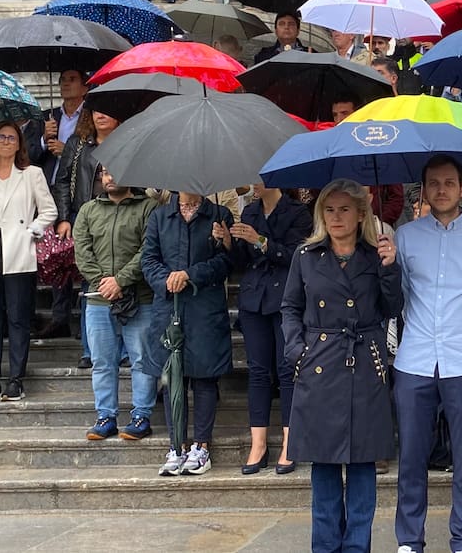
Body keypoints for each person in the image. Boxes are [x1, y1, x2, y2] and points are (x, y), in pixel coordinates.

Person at [280, 179, 400, 552]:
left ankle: (357, 547)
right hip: (319, 363)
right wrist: (297, 349)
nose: (336, 217)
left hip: (365, 362)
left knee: (363, 467)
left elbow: (392, 308)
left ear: (361, 213)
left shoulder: (375, 254)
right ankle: (326, 546)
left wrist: (389, 268)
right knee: (325, 466)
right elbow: (290, 307)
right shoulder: (306, 256)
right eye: (329, 209)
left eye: (344, 209)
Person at [393, 155, 462, 553]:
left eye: (449, 183)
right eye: (433, 183)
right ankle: (409, 539)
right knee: (410, 457)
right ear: (423, 188)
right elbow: (400, 294)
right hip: (415, 360)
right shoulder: (405, 237)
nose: (441, 190)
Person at [220, 182, 312, 475]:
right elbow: (241, 262)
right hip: (254, 298)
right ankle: (257, 443)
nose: (253, 185)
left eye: (258, 179)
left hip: (285, 296)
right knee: (258, 371)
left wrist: (261, 241)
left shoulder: (298, 212)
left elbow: (296, 255)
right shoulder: (249, 211)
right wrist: (227, 241)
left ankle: (289, 440)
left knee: (286, 369)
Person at [142, 192, 234, 477]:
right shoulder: (159, 217)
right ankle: (176, 446)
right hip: (169, 305)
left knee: (205, 375)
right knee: (172, 377)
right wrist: (166, 279)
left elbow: (225, 263)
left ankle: (201, 446)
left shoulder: (219, 215)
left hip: (204, 306)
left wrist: (191, 274)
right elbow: (149, 260)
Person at [73, 167, 154, 435]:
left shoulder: (148, 207)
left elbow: (148, 250)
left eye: (115, 172)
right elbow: (82, 252)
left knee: (141, 359)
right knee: (102, 361)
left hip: (139, 297)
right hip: (99, 300)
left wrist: (121, 280)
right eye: (105, 173)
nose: (109, 178)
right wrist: (104, 284)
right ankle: (105, 417)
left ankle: (141, 416)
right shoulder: (88, 211)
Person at [52, 108, 119, 367]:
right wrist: (64, 217)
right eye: (95, 111)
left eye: (107, 110)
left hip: (121, 215)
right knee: (90, 281)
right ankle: (90, 350)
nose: (101, 115)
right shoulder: (77, 144)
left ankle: (121, 350)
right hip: (85, 215)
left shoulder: (128, 140)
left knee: (121, 279)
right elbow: (62, 180)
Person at [0, 121, 57, 402]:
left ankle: (15, 379)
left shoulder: (31, 173)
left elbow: (49, 211)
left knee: (18, 319)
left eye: (12, 137)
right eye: (1, 136)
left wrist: (31, 231)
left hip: (18, 251)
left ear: (20, 143)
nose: (6, 141)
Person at [31, 69, 88, 341]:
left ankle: (86, 316)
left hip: (79, 193)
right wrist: (43, 140)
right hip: (48, 194)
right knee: (56, 255)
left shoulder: (91, 116)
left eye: (72, 80)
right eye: (62, 80)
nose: (65, 84)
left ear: (85, 86)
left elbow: (94, 153)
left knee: (81, 252)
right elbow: (27, 154)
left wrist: (69, 151)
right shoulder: (47, 117)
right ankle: (60, 317)